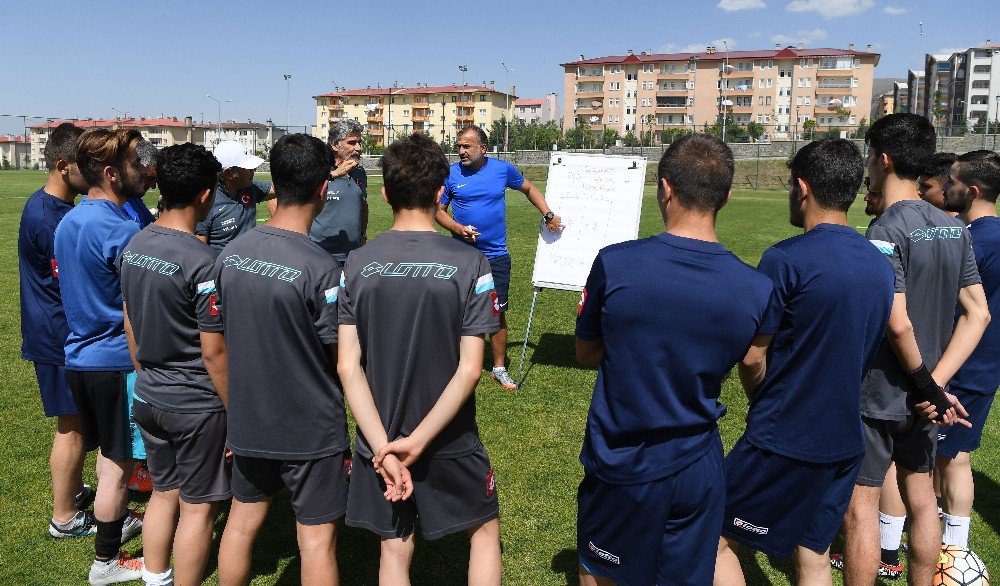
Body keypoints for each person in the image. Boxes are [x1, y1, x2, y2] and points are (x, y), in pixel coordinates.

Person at [574, 134, 776, 586]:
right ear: (725, 197)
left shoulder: (615, 263)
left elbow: (585, 351)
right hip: (698, 463)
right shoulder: (756, 289)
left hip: (625, 459)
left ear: (664, 188)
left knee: (600, 571)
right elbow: (750, 361)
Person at [714, 139, 894, 585]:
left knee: (712, 535)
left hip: (784, 434)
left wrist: (764, 399)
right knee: (811, 551)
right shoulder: (879, 264)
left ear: (802, 188)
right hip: (846, 439)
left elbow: (753, 357)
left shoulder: (785, 259)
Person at [341, 133, 502, 585]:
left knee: (394, 545)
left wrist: (382, 448)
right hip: (448, 436)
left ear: (386, 193)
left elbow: (347, 367)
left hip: (380, 436)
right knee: (485, 531)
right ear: (439, 193)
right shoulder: (473, 265)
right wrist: (419, 441)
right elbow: (471, 368)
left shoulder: (355, 263)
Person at [840, 114, 989, 586]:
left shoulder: (885, 228)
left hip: (884, 392)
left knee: (862, 509)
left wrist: (925, 381)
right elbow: (978, 314)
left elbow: (897, 321)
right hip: (927, 398)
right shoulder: (952, 227)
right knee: (923, 499)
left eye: (869, 155)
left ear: (883, 159)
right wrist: (939, 386)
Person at [216, 134, 347, 586]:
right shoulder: (323, 269)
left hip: (249, 419)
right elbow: (339, 357)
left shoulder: (231, 256)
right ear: (322, 190)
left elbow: (217, 341)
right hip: (311, 428)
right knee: (315, 540)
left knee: (240, 522)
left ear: (273, 183)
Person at [120, 143, 229, 586]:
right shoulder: (203, 263)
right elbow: (214, 351)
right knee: (199, 507)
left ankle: (156, 577)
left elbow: (129, 320)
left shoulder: (136, 242)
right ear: (206, 195)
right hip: (195, 403)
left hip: (149, 393)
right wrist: (236, 410)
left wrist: (144, 374)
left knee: (163, 492)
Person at [54, 128, 147, 584]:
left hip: (79, 360)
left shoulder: (68, 221)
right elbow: (135, 307)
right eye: (133, 163)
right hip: (114, 362)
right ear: (112, 174)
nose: (142, 169)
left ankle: (113, 529)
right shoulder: (121, 228)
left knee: (108, 458)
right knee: (116, 464)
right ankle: (105, 561)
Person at [435, 125, 563, 390]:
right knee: (457, 310)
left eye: (466, 146)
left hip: (496, 256)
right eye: (459, 146)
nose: (461, 151)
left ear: (483, 148)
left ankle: (498, 367)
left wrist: (548, 214)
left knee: (497, 312)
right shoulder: (450, 174)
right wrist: (458, 229)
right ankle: (457, 364)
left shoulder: (502, 170)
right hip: (461, 255)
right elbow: (439, 211)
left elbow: (528, 188)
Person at [17, 122, 97, 538]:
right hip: (57, 337)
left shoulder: (55, 208)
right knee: (72, 426)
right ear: (64, 167)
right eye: (88, 166)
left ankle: (73, 490)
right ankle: (64, 517)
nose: (96, 173)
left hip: (56, 332)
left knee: (77, 421)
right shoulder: (50, 219)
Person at [935, 150, 1000, 549]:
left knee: (951, 457)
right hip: (985, 365)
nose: (946, 187)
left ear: (971, 191)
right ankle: (946, 536)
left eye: (952, 181)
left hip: (963, 367)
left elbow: (954, 305)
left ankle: (954, 548)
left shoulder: (972, 242)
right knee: (951, 454)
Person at [298, 119, 368, 263]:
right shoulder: (318, 170)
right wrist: (334, 175)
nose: (358, 148)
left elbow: (363, 204)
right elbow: (282, 201)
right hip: (318, 254)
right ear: (335, 145)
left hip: (351, 255)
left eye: (359, 142)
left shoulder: (359, 172)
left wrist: (363, 235)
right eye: (352, 143)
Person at [196, 140, 274, 251]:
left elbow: (283, 189)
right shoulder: (207, 201)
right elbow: (199, 250)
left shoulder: (251, 187)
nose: (253, 170)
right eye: (248, 168)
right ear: (229, 173)